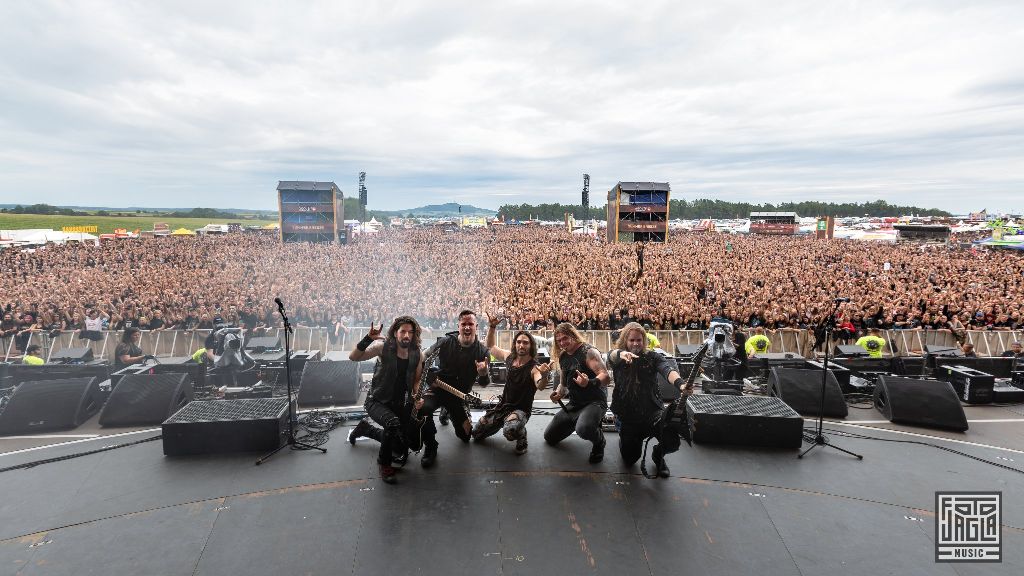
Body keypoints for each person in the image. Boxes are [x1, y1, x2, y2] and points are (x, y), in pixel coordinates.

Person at [347, 317, 425, 484]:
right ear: (395, 332)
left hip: (399, 404)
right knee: (392, 424)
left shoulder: (417, 354)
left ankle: (365, 429)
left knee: (403, 445)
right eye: (403, 331)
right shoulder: (383, 348)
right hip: (377, 401)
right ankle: (384, 464)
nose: (406, 335)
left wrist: (418, 396)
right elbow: (354, 357)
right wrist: (368, 339)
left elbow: (417, 381)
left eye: (410, 332)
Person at [415, 310, 489, 467]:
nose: (467, 327)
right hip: (438, 390)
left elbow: (484, 384)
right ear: (458, 326)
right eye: (464, 324)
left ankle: (447, 410)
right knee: (422, 409)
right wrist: (429, 378)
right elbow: (422, 358)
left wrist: (483, 374)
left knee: (466, 436)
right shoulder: (445, 342)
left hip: (458, 396)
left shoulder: (482, 351)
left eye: (470, 324)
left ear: (476, 326)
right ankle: (431, 446)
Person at [471, 314, 551, 454]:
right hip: (502, 407)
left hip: (520, 410)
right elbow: (490, 346)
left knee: (510, 431)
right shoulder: (509, 357)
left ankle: (522, 436)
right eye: (519, 341)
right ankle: (502, 422)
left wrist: (544, 376)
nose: (521, 345)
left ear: (531, 345)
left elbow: (541, 385)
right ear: (515, 344)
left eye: (525, 342)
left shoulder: (534, 367)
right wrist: (492, 327)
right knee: (476, 434)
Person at [544, 322, 610, 464]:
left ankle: (599, 441)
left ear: (573, 335)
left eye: (565, 338)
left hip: (595, 402)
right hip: (575, 404)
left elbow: (605, 377)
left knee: (584, 429)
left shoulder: (588, 352)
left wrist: (589, 383)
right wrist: (557, 394)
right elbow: (563, 385)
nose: (562, 343)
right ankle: (583, 420)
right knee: (549, 437)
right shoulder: (563, 357)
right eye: (559, 340)